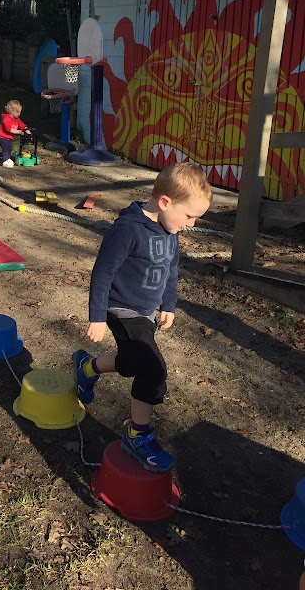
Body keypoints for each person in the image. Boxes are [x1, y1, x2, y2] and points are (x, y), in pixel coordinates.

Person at [74, 163, 212, 473]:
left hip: (147, 311)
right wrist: (96, 316)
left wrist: (169, 304)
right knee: (152, 368)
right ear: (165, 201)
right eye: (189, 216)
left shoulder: (170, 228)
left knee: (133, 362)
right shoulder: (128, 229)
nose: (191, 224)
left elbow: (171, 269)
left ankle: (88, 368)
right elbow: (103, 272)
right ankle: (137, 435)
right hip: (120, 308)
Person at [0, 99, 31, 168]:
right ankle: (5, 161)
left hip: (8, 137)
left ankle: (6, 158)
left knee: (10, 147)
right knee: (6, 148)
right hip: (1, 136)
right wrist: (18, 131)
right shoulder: (6, 118)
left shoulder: (16, 119)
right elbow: (8, 129)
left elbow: (22, 125)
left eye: (20, 112)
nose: (19, 114)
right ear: (11, 111)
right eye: (17, 112)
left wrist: (29, 133)